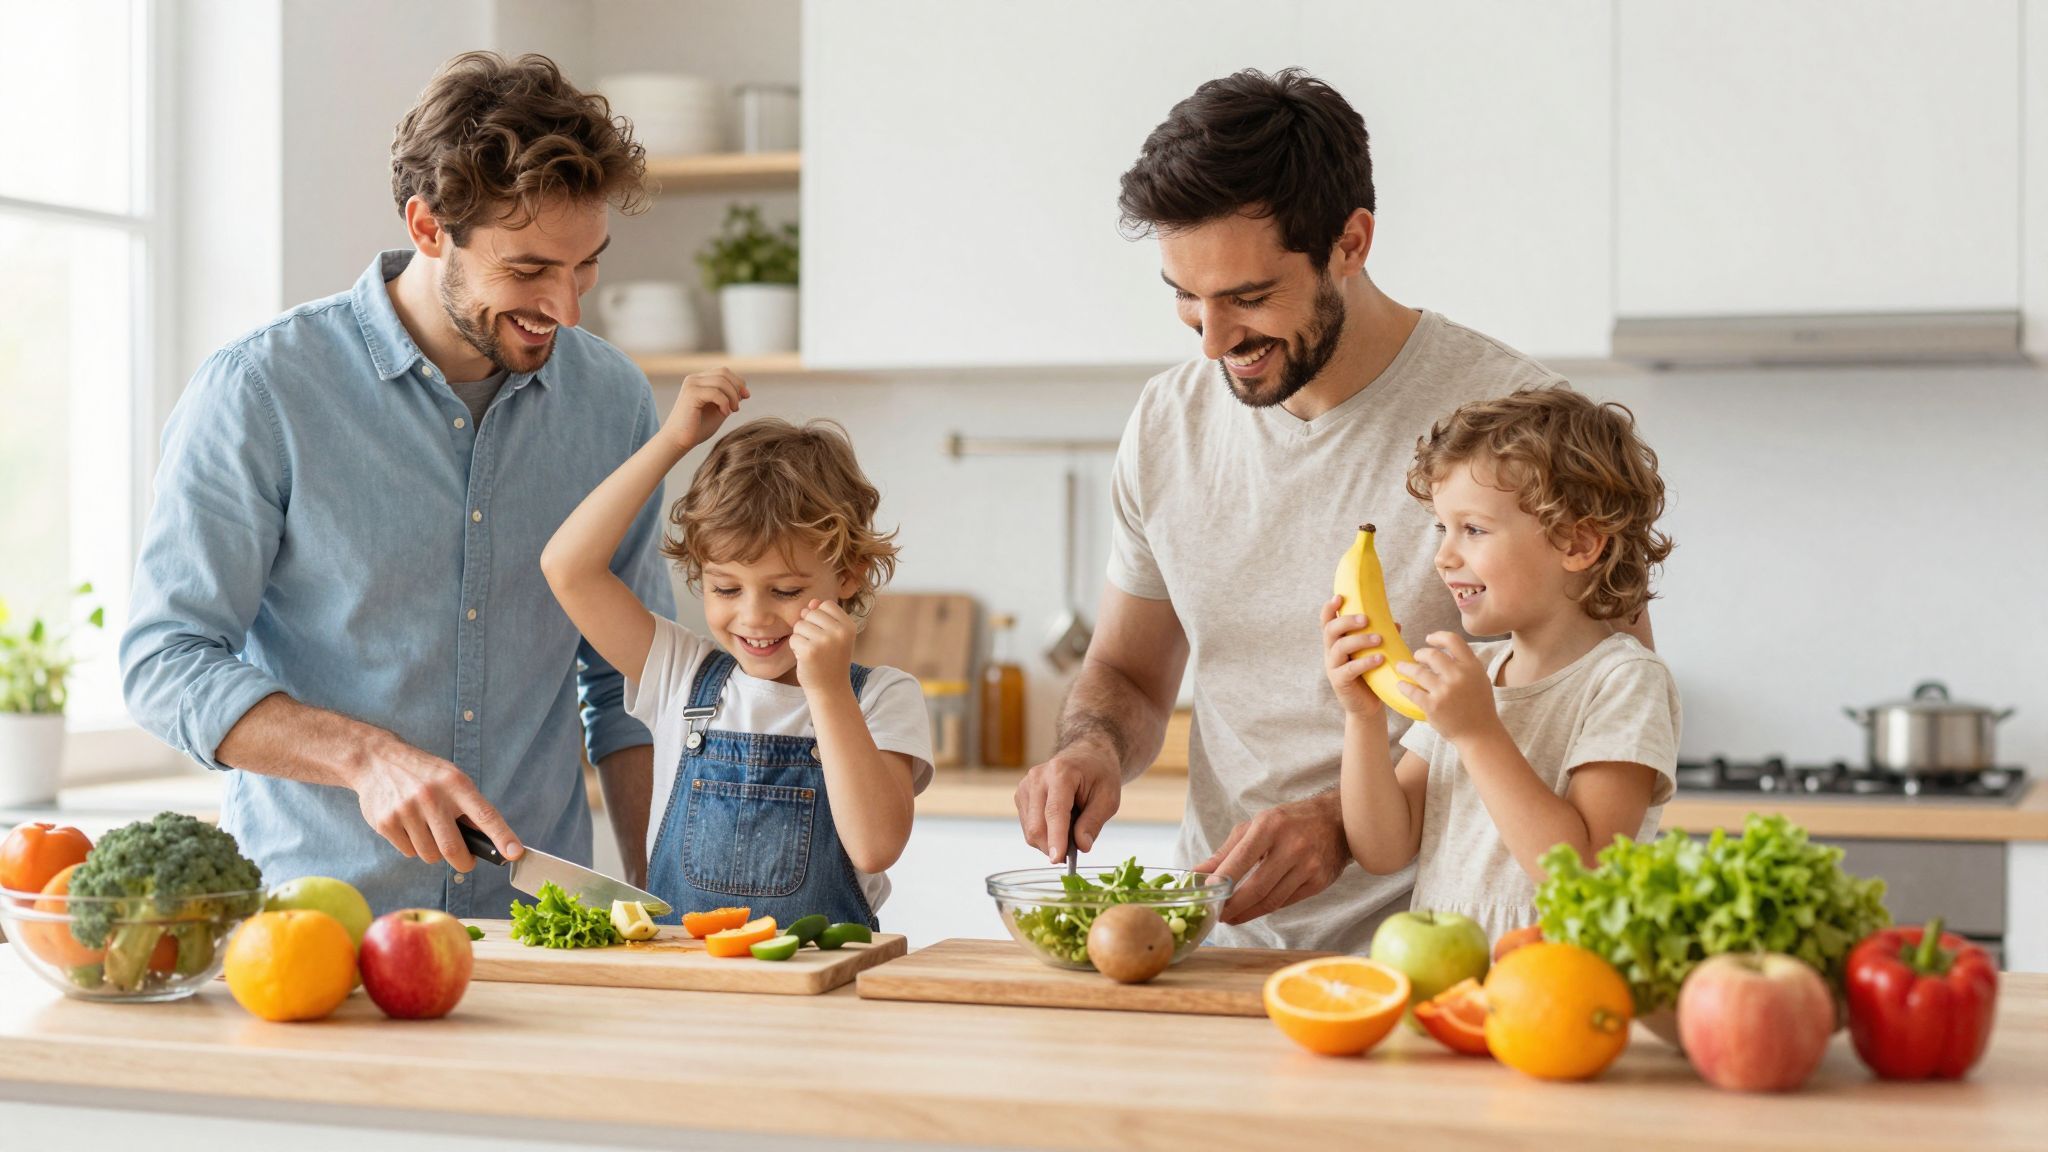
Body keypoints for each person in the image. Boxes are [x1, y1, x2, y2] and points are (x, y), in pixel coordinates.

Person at [1013, 67, 1653, 952]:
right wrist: (1090, 747)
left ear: (1350, 242)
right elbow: (1126, 676)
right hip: (1212, 944)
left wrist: (1345, 820)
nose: (1212, 341)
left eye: (1248, 297)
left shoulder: (1516, 421)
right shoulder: (1168, 423)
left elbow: (1601, 690)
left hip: (1447, 959)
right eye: (1183, 297)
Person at [121, 53, 672, 917]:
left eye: (587, 265)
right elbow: (164, 661)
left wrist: (658, 896)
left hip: (540, 935)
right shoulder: (262, 392)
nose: (567, 309)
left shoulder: (612, 403)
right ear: (427, 227)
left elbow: (631, 683)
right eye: (528, 270)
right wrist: (363, 758)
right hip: (317, 933)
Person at [540, 371, 931, 928]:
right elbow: (566, 567)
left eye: (786, 590)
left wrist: (827, 688)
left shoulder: (882, 696)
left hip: (823, 1000)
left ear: (848, 574)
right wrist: (674, 441)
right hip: (690, 994)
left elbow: (874, 849)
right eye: (725, 588)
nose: (753, 616)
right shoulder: (680, 672)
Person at [1327, 387, 1680, 941]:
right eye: (1442, 528)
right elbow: (1382, 849)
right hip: (1448, 974)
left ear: (1577, 542)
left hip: (1556, 984)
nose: (1444, 555)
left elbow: (1585, 875)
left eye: (1473, 529)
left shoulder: (1624, 683)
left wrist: (1477, 732)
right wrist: (1363, 719)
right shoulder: (1474, 675)